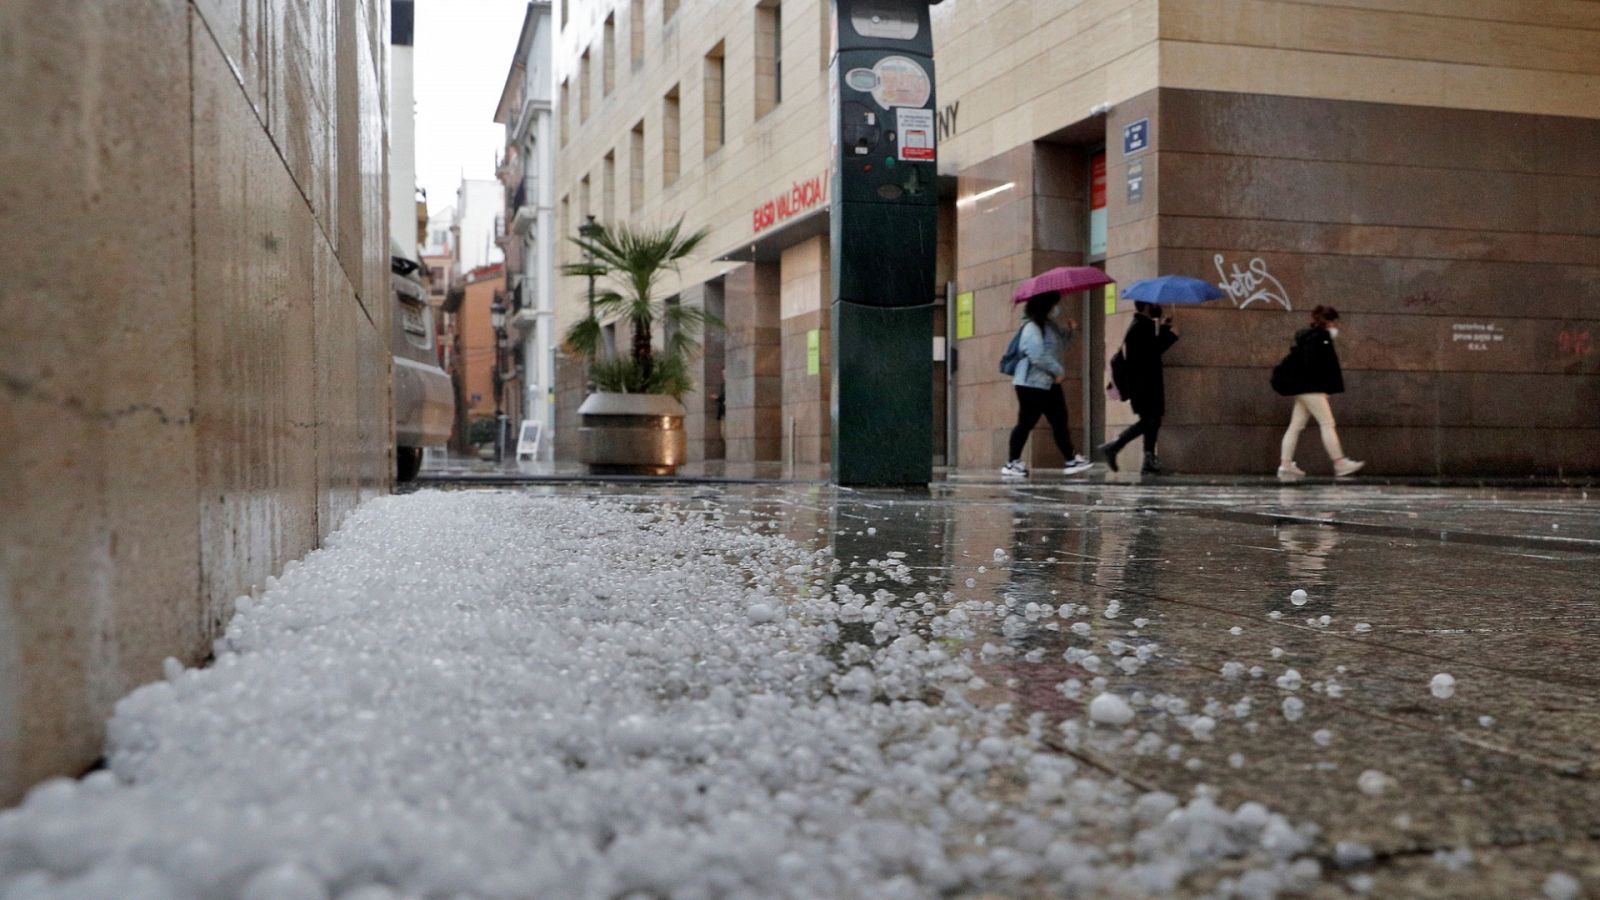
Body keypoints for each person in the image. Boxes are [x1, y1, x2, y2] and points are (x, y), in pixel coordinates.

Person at [1001, 291, 1092, 478]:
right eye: (1053, 304)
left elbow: (1058, 347)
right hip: (1031, 384)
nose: (1055, 308)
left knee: (1059, 420)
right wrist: (1058, 371)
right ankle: (1012, 462)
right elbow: (1037, 355)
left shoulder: (1049, 326)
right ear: (1045, 306)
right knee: (1027, 422)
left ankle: (1071, 458)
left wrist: (1071, 331)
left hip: (1047, 382)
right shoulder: (1031, 328)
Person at [1275, 305, 1364, 480]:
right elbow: (1316, 366)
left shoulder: (1309, 338)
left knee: (1296, 426)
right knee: (1327, 423)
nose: (1337, 327)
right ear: (1330, 322)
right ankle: (1340, 463)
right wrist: (1321, 388)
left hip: (1303, 389)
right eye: (1335, 322)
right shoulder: (1319, 339)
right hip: (1311, 389)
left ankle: (1286, 466)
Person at [1100, 301, 1177, 474]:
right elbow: (1153, 352)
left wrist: (1164, 328)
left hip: (1145, 384)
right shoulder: (1140, 327)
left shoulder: (1142, 325)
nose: (1159, 306)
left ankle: (1148, 460)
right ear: (1147, 306)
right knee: (1149, 421)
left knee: (1153, 421)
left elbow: (1150, 350)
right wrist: (1168, 332)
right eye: (1156, 304)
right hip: (1144, 385)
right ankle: (1114, 446)